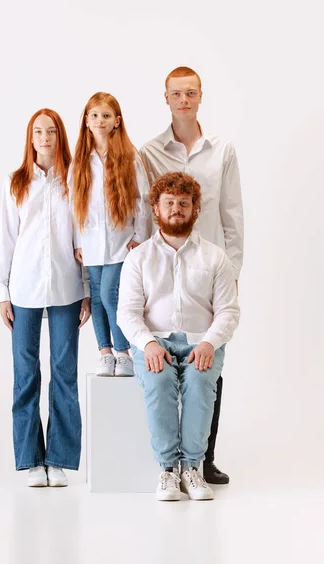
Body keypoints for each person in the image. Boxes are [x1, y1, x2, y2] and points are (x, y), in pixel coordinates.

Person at [139, 66, 244, 485]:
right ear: (165, 98)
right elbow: (147, 212)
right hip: (164, 268)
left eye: (191, 93)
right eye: (176, 94)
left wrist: (233, 270)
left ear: (201, 97)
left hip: (212, 270)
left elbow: (231, 215)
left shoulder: (223, 150)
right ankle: (168, 461)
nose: (184, 100)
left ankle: (204, 458)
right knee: (163, 366)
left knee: (209, 363)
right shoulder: (149, 151)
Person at [117, 172, 240, 501]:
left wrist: (209, 343)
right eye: (168, 203)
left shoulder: (215, 257)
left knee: (200, 384)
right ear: (155, 209)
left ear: (195, 209)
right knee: (159, 384)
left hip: (201, 342)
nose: (176, 209)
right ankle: (168, 469)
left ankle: (192, 468)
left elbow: (228, 311)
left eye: (183, 204)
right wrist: (148, 344)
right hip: (154, 341)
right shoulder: (138, 257)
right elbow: (127, 312)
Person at [0, 108, 91, 488]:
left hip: (67, 287)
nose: (45, 137)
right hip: (24, 289)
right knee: (26, 374)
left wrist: (86, 290)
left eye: (51, 131)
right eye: (39, 131)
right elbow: (5, 239)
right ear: (30, 138)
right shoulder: (16, 182)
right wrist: (1, 291)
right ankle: (32, 459)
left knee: (64, 374)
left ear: (60, 136)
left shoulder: (73, 180)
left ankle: (60, 459)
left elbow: (83, 238)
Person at [72, 92, 151, 377]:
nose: (100, 120)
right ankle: (105, 352)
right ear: (86, 121)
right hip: (91, 243)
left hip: (121, 243)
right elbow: (74, 205)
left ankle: (123, 350)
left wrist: (139, 236)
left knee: (110, 293)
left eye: (106, 116)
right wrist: (79, 241)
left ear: (116, 121)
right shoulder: (80, 161)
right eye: (94, 115)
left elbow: (143, 199)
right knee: (95, 296)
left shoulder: (130, 157)